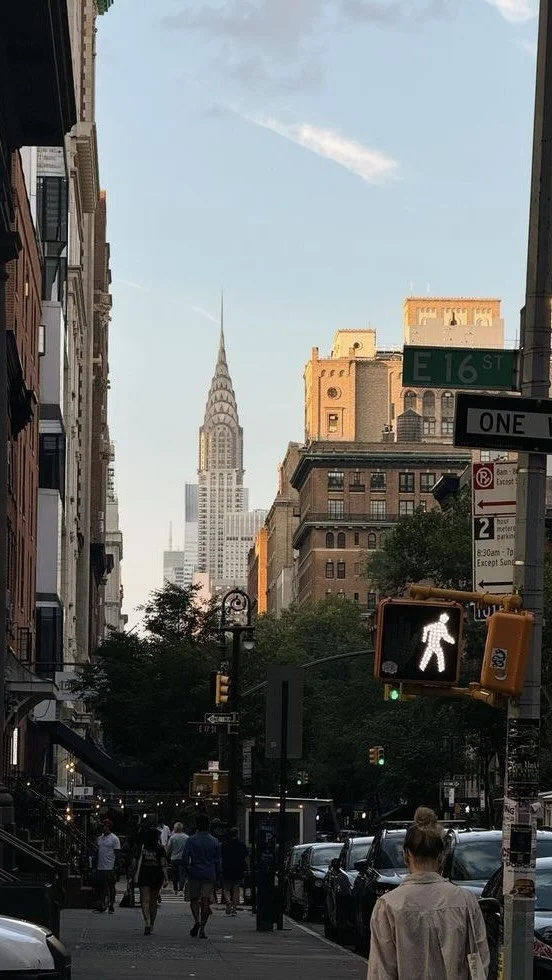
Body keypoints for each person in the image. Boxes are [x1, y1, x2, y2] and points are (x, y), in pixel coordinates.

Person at [367, 807, 490, 980]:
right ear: (441, 856)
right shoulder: (465, 901)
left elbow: (381, 972)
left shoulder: (388, 906)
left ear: (406, 855)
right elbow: (479, 963)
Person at [183, 813, 222, 938]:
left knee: (194, 899)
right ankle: (203, 928)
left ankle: (197, 920)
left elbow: (185, 858)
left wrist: (187, 870)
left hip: (195, 872)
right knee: (205, 900)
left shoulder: (191, 840)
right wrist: (218, 875)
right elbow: (218, 860)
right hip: (209, 873)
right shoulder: (214, 841)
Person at [135, 827, 169, 935]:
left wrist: (132, 875)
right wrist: (166, 878)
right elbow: (163, 864)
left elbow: (135, 861)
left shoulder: (142, 847)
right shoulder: (160, 849)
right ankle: (152, 924)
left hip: (144, 873)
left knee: (144, 900)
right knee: (153, 901)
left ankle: (147, 922)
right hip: (156, 875)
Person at [95, 819, 121, 914]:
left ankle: (111, 904)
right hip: (101, 866)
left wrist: (116, 866)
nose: (103, 828)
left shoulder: (114, 839)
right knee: (102, 886)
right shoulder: (100, 838)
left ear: (108, 827)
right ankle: (103, 903)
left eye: (105, 826)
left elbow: (117, 853)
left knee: (111, 886)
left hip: (110, 866)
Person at [221, 827, 248, 915]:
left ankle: (228, 901)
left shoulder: (224, 845)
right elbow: (246, 857)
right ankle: (234, 909)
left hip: (227, 868)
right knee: (236, 889)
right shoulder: (241, 845)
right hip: (238, 868)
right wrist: (246, 868)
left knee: (226, 888)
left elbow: (220, 857)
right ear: (237, 834)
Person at [166, 821, 188, 894]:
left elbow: (169, 848)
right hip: (183, 858)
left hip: (174, 858)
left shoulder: (172, 837)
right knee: (182, 874)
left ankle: (175, 889)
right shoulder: (186, 837)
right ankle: (181, 889)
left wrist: (166, 856)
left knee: (174, 874)